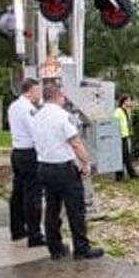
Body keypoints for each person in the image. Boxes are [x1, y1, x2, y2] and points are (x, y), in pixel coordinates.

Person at [33, 83, 103, 260]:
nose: (65, 100)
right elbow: (76, 143)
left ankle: (55, 248)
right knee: (75, 210)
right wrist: (86, 163)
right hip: (64, 169)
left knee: (52, 209)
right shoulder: (63, 116)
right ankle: (81, 248)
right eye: (63, 97)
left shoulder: (37, 116)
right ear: (58, 96)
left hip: (44, 167)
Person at [7, 78, 45, 247]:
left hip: (17, 152)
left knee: (18, 193)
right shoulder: (28, 109)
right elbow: (36, 132)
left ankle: (17, 229)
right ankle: (34, 234)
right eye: (37, 91)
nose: (39, 94)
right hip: (29, 154)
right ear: (30, 91)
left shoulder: (14, 106)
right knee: (32, 195)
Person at [114, 94, 139, 181]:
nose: (130, 102)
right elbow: (115, 124)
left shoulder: (127, 110)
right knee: (121, 156)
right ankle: (119, 176)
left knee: (128, 156)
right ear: (124, 101)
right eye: (129, 100)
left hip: (126, 136)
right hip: (120, 137)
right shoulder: (118, 111)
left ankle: (132, 174)